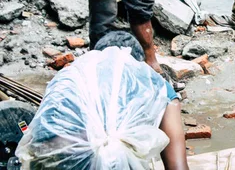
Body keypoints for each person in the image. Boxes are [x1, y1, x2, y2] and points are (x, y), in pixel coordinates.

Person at [16, 31, 189, 170]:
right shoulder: (157, 87)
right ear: (139, 66)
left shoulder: (70, 80)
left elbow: (41, 139)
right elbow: (177, 166)